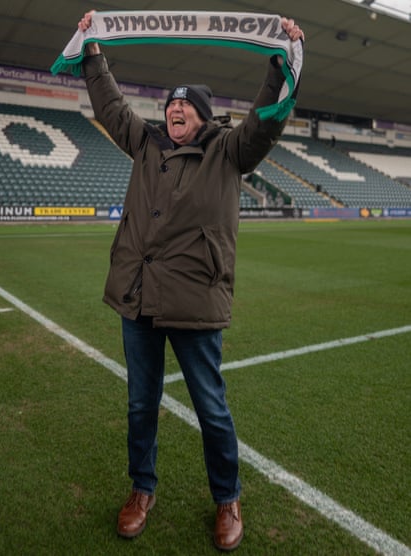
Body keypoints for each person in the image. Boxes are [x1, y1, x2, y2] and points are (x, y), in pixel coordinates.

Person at [78, 10, 304, 551]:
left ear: (202, 118)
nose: (174, 110)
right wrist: (92, 53)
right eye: (170, 106)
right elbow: (110, 107)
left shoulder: (230, 150)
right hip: (139, 299)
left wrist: (281, 62)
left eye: (185, 107)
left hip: (195, 302)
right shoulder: (147, 144)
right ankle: (141, 490)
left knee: (211, 407)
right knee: (140, 403)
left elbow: (265, 121)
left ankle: (227, 498)